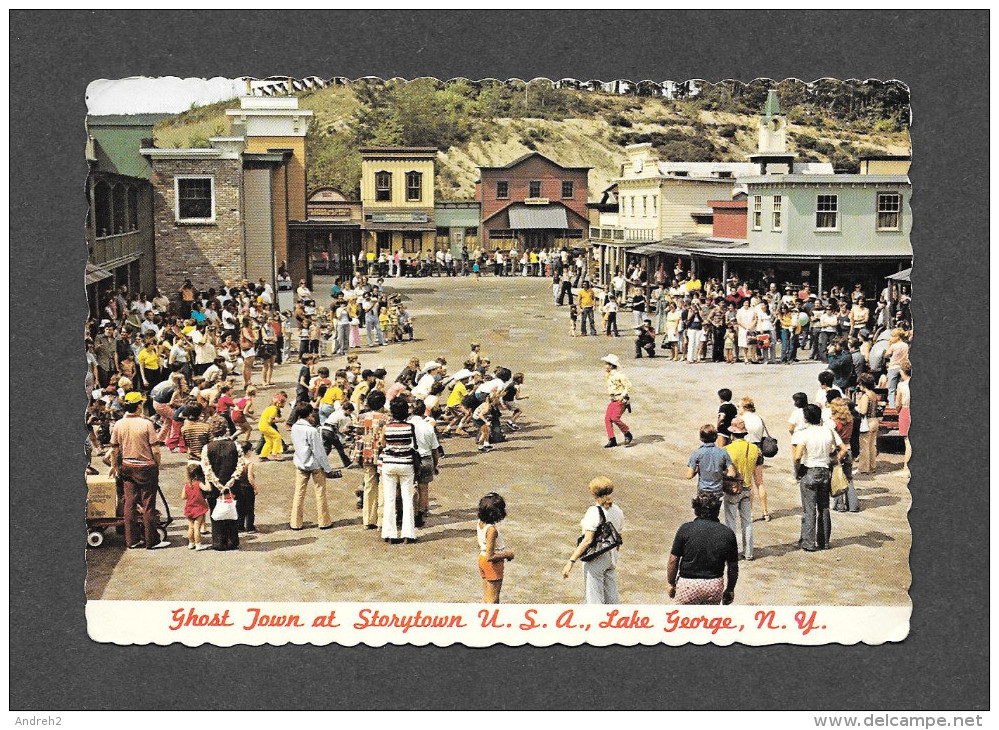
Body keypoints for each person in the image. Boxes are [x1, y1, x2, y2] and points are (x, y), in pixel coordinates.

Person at [109, 392, 167, 549]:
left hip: (127, 467)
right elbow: (156, 450)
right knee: (148, 504)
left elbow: (114, 449)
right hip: (146, 468)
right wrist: (157, 465)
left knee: (130, 503)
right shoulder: (146, 424)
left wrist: (115, 466)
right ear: (139, 406)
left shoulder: (119, 424)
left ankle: (132, 540)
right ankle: (151, 540)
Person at [792, 404, 847, 552]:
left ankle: (808, 543)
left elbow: (797, 457)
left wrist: (796, 472)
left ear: (805, 418)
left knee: (809, 510)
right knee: (824, 508)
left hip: (810, 470)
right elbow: (844, 448)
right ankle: (824, 542)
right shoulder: (829, 430)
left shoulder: (804, 433)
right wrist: (834, 460)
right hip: (825, 471)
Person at [562, 476, 625, 605]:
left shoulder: (594, 511)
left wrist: (571, 561)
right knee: (612, 599)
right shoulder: (618, 511)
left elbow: (587, 540)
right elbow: (619, 536)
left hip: (596, 559)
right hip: (612, 558)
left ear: (594, 494)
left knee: (594, 599)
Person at [667, 492, 738, 605]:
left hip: (687, 585)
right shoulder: (727, 533)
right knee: (707, 620)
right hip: (713, 586)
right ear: (717, 511)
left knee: (685, 620)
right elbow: (733, 566)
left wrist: (671, 583)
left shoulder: (685, 529)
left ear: (696, 510)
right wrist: (730, 589)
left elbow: (673, 560)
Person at [289, 402, 336, 531]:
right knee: (320, 492)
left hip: (300, 463)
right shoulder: (311, 430)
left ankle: (295, 523)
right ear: (309, 415)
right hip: (315, 465)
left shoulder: (294, 427)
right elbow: (319, 452)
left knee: (299, 493)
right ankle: (324, 521)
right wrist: (328, 469)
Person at [200, 416, 244, 551]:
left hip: (215, 486)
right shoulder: (235, 445)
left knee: (216, 511)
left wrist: (217, 483)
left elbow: (206, 468)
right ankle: (232, 540)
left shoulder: (207, 448)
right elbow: (240, 464)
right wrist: (232, 480)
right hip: (232, 484)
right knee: (232, 511)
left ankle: (219, 541)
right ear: (225, 429)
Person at [380, 397, 419, 544]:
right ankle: (408, 534)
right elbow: (414, 445)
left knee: (389, 499)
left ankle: (390, 534)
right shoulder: (410, 427)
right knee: (407, 499)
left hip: (389, 464)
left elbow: (383, 444)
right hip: (406, 464)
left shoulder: (386, 427)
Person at [724, 417, 763, 557]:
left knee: (731, 522)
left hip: (732, 489)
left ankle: (731, 553)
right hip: (747, 488)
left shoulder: (727, 449)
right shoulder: (754, 449)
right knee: (747, 522)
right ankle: (749, 553)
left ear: (732, 434)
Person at [477, 492, 515, 603]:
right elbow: (490, 556)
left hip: (481, 559)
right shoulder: (491, 530)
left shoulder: (480, 523)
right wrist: (507, 555)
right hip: (492, 565)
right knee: (493, 598)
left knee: (486, 595)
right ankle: (492, 618)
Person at [686, 424, 736, 494]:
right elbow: (732, 474)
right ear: (716, 437)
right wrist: (721, 473)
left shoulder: (697, 453)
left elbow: (689, 476)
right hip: (718, 491)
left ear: (701, 438)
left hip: (703, 490)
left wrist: (697, 470)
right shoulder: (723, 452)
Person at [602, 355, 632, 448]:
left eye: (606, 364)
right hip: (614, 399)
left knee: (614, 418)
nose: (605, 366)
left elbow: (628, 386)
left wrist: (622, 396)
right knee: (607, 418)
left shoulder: (619, 375)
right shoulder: (609, 375)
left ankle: (627, 432)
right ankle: (612, 439)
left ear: (611, 366)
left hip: (620, 399)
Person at [855, 373, 880, 475]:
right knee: (872, 446)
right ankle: (872, 466)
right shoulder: (873, 394)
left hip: (867, 422)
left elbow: (863, 411)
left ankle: (864, 468)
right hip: (874, 421)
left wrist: (857, 406)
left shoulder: (865, 396)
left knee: (864, 446)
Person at [181, 463, 210, 551]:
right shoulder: (199, 483)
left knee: (191, 527)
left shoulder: (187, 485)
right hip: (199, 507)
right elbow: (207, 489)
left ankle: (191, 543)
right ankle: (198, 544)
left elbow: (183, 497)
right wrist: (208, 480)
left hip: (189, 507)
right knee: (197, 526)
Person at [258, 392, 287, 460]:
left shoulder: (271, 407)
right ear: (279, 403)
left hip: (262, 426)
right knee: (277, 437)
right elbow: (270, 421)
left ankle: (263, 455)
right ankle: (275, 454)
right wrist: (280, 420)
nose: (284, 404)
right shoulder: (274, 410)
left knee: (269, 441)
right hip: (266, 426)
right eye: (283, 403)